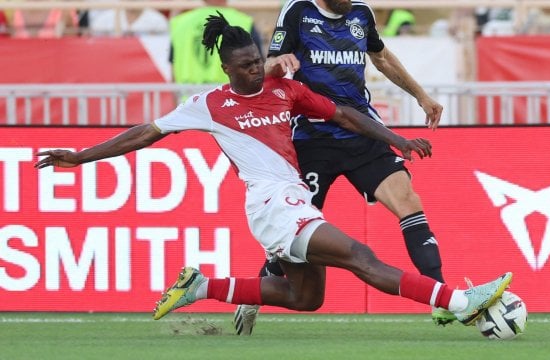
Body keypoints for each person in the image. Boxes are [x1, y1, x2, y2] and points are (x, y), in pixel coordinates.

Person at [34, 14, 513, 331]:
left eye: (257, 62)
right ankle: (457, 302)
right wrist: (80, 156)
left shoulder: (284, 89)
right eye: (243, 67)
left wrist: (398, 140)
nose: (253, 72)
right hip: (269, 204)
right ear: (224, 68)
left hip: (291, 202)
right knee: (360, 256)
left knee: (304, 298)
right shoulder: (209, 105)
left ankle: (200, 286)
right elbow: (144, 133)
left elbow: (345, 115)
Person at [235, 0, 450, 334]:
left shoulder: (361, 14)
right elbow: (269, 64)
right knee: (292, 230)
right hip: (311, 137)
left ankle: (443, 298)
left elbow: (380, 57)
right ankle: (257, 289)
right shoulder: (298, 11)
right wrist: (279, 63)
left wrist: (420, 95)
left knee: (408, 200)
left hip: (362, 133)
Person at [169, 0, 263, 85]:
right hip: (228, 99)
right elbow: (256, 67)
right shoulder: (243, 21)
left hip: (187, 98)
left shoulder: (179, 23)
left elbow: (172, 68)